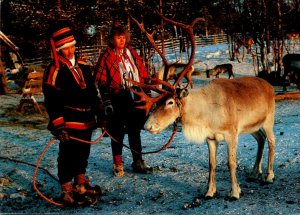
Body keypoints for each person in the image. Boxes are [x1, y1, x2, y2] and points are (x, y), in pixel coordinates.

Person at [42, 21, 102, 205]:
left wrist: (99, 111)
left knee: (83, 152)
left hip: (86, 120)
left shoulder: (83, 66)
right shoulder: (54, 71)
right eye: (66, 48)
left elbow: (92, 91)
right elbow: (52, 101)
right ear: (58, 49)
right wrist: (59, 125)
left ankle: (81, 184)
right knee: (68, 155)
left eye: (73, 46)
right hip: (68, 123)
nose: (71, 51)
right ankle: (67, 190)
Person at [94, 22, 153, 177]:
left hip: (134, 95)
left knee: (135, 130)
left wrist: (147, 95)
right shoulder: (106, 56)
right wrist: (107, 102)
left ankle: (138, 161)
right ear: (111, 39)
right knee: (117, 131)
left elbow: (143, 75)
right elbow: (102, 82)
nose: (121, 40)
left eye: (123, 37)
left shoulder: (132, 53)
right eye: (118, 37)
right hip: (117, 97)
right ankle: (118, 163)